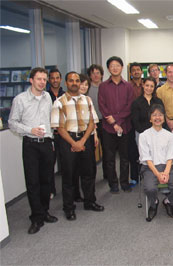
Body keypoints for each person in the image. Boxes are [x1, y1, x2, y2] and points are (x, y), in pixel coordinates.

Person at [9, 67, 58, 234]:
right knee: (33, 182)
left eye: (45, 79)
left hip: (46, 143)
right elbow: (12, 123)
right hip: (30, 144)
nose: (42, 82)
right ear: (31, 80)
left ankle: (45, 212)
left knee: (47, 180)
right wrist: (30, 130)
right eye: (39, 79)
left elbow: (50, 120)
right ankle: (36, 217)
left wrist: (50, 139)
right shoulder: (20, 99)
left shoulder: (47, 98)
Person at [51, 71, 104, 221]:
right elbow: (59, 127)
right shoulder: (59, 102)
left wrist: (82, 141)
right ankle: (69, 208)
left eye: (77, 81)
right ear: (66, 83)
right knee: (68, 176)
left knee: (88, 174)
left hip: (85, 139)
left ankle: (90, 201)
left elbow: (92, 122)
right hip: (68, 142)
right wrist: (74, 143)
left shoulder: (87, 100)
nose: (74, 83)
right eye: (71, 81)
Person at [138, 104, 173, 221]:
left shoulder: (170, 136)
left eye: (160, 115)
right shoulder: (143, 136)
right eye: (154, 115)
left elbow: (170, 156)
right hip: (150, 168)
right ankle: (154, 203)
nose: (157, 117)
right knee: (150, 189)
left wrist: (166, 172)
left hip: (167, 167)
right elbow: (146, 158)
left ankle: (168, 201)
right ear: (150, 118)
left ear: (164, 118)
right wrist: (158, 174)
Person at [98, 56, 134, 193]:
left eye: (117, 65)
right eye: (112, 66)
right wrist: (113, 123)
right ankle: (113, 183)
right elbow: (102, 106)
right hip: (108, 128)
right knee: (109, 157)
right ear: (108, 69)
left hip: (124, 127)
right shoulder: (103, 86)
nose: (115, 68)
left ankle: (124, 182)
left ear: (122, 67)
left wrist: (118, 121)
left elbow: (129, 106)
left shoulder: (128, 86)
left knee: (125, 157)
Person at [72, 74, 99, 203]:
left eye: (86, 84)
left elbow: (93, 120)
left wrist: (95, 135)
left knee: (89, 168)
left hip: (89, 136)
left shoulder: (88, 100)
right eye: (81, 83)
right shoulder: (65, 100)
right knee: (74, 169)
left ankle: (89, 198)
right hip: (73, 138)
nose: (83, 86)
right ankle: (76, 195)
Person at [47, 68, 65, 197]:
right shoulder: (45, 96)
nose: (55, 80)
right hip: (51, 136)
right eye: (52, 78)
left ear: (60, 79)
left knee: (66, 164)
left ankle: (68, 189)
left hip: (65, 135)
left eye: (57, 78)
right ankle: (51, 190)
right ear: (49, 80)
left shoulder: (66, 95)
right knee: (49, 164)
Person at [128, 62, 144, 186]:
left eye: (138, 70)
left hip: (147, 124)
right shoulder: (128, 86)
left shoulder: (146, 85)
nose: (136, 72)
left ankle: (146, 175)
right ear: (130, 73)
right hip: (132, 122)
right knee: (133, 151)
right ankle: (134, 176)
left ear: (141, 72)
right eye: (134, 70)